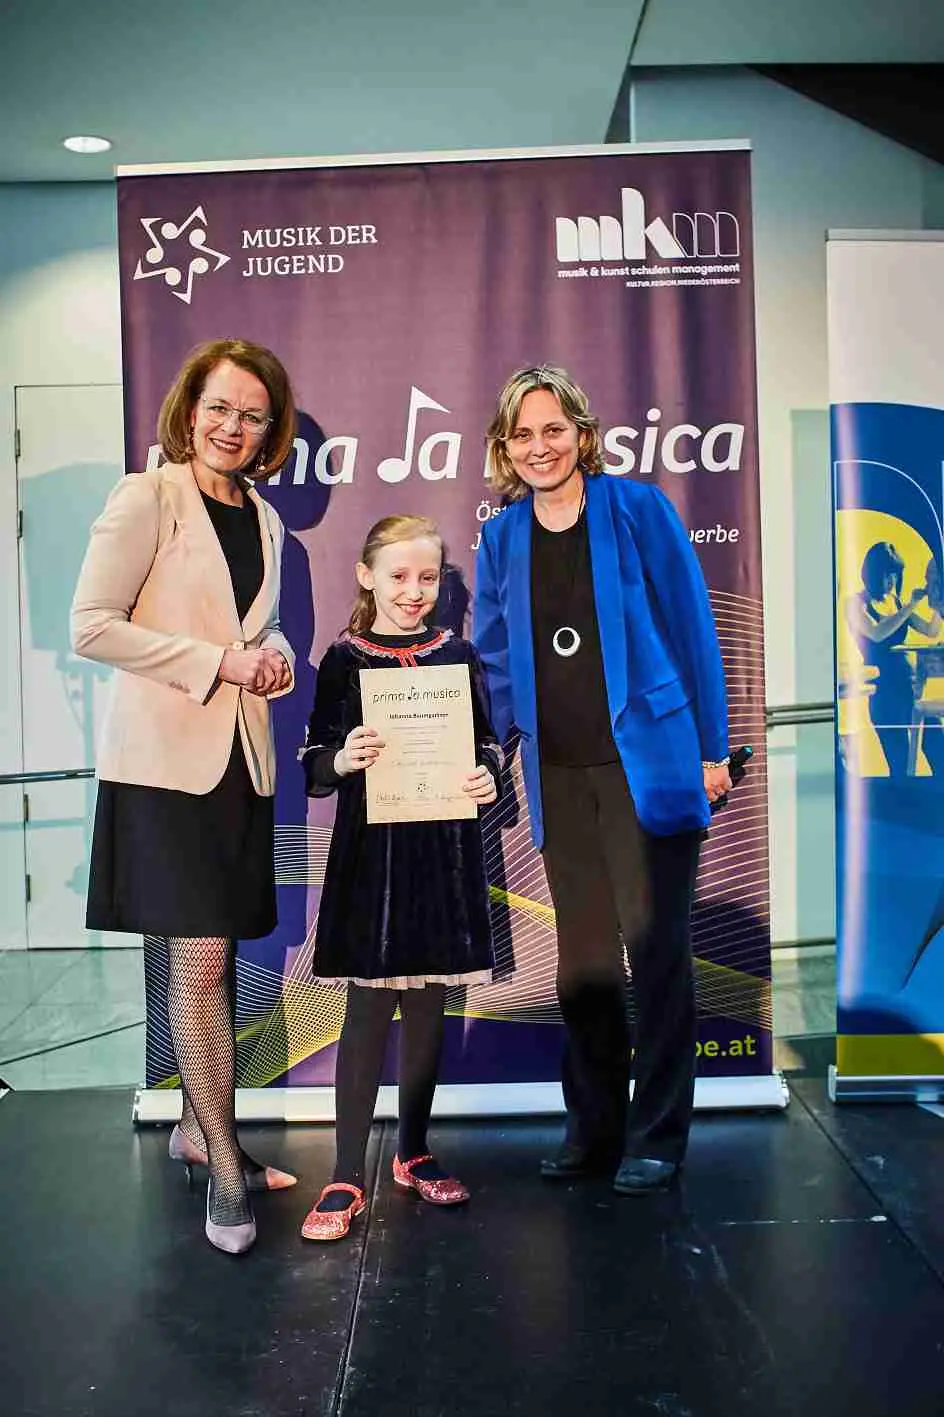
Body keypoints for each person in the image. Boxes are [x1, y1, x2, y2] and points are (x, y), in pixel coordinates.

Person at [473, 365, 731, 1195]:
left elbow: (692, 626)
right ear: (505, 447)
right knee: (583, 964)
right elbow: (494, 660)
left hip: (646, 768)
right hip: (557, 774)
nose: (539, 447)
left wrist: (713, 750)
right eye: (523, 434)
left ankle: (658, 1134)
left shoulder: (638, 509)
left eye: (554, 429)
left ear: (582, 434)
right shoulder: (502, 538)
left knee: (656, 953)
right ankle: (594, 1126)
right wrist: (483, 748)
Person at [71, 338, 299, 1254]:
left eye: (252, 415)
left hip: (240, 764)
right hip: (164, 770)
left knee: (212, 960)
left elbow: (258, 624)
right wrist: (220, 663)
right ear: (189, 408)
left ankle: (201, 1131)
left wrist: (273, 653)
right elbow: (92, 626)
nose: (233, 427)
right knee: (201, 965)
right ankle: (227, 1170)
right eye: (220, 408)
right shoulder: (147, 495)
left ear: (270, 430)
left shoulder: (266, 518)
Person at [299, 515, 501, 1241]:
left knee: (427, 1008)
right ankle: (345, 1172)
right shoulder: (342, 659)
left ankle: (413, 1151)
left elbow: (485, 744)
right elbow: (315, 763)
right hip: (373, 860)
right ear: (367, 576)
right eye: (398, 576)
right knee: (365, 1013)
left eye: (427, 577)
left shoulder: (460, 654)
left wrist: (487, 775)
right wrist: (342, 757)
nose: (414, 591)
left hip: (443, 854)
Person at [844, 542, 944, 776]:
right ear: (872, 573)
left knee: (937, 747)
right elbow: (876, 633)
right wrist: (910, 606)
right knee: (900, 762)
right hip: (884, 693)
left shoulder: (896, 602)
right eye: (887, 574)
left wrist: (937, 602)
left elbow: (930, 631)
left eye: (895, 574)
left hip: (911, 688)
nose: (892, 581)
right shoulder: (855, 603)